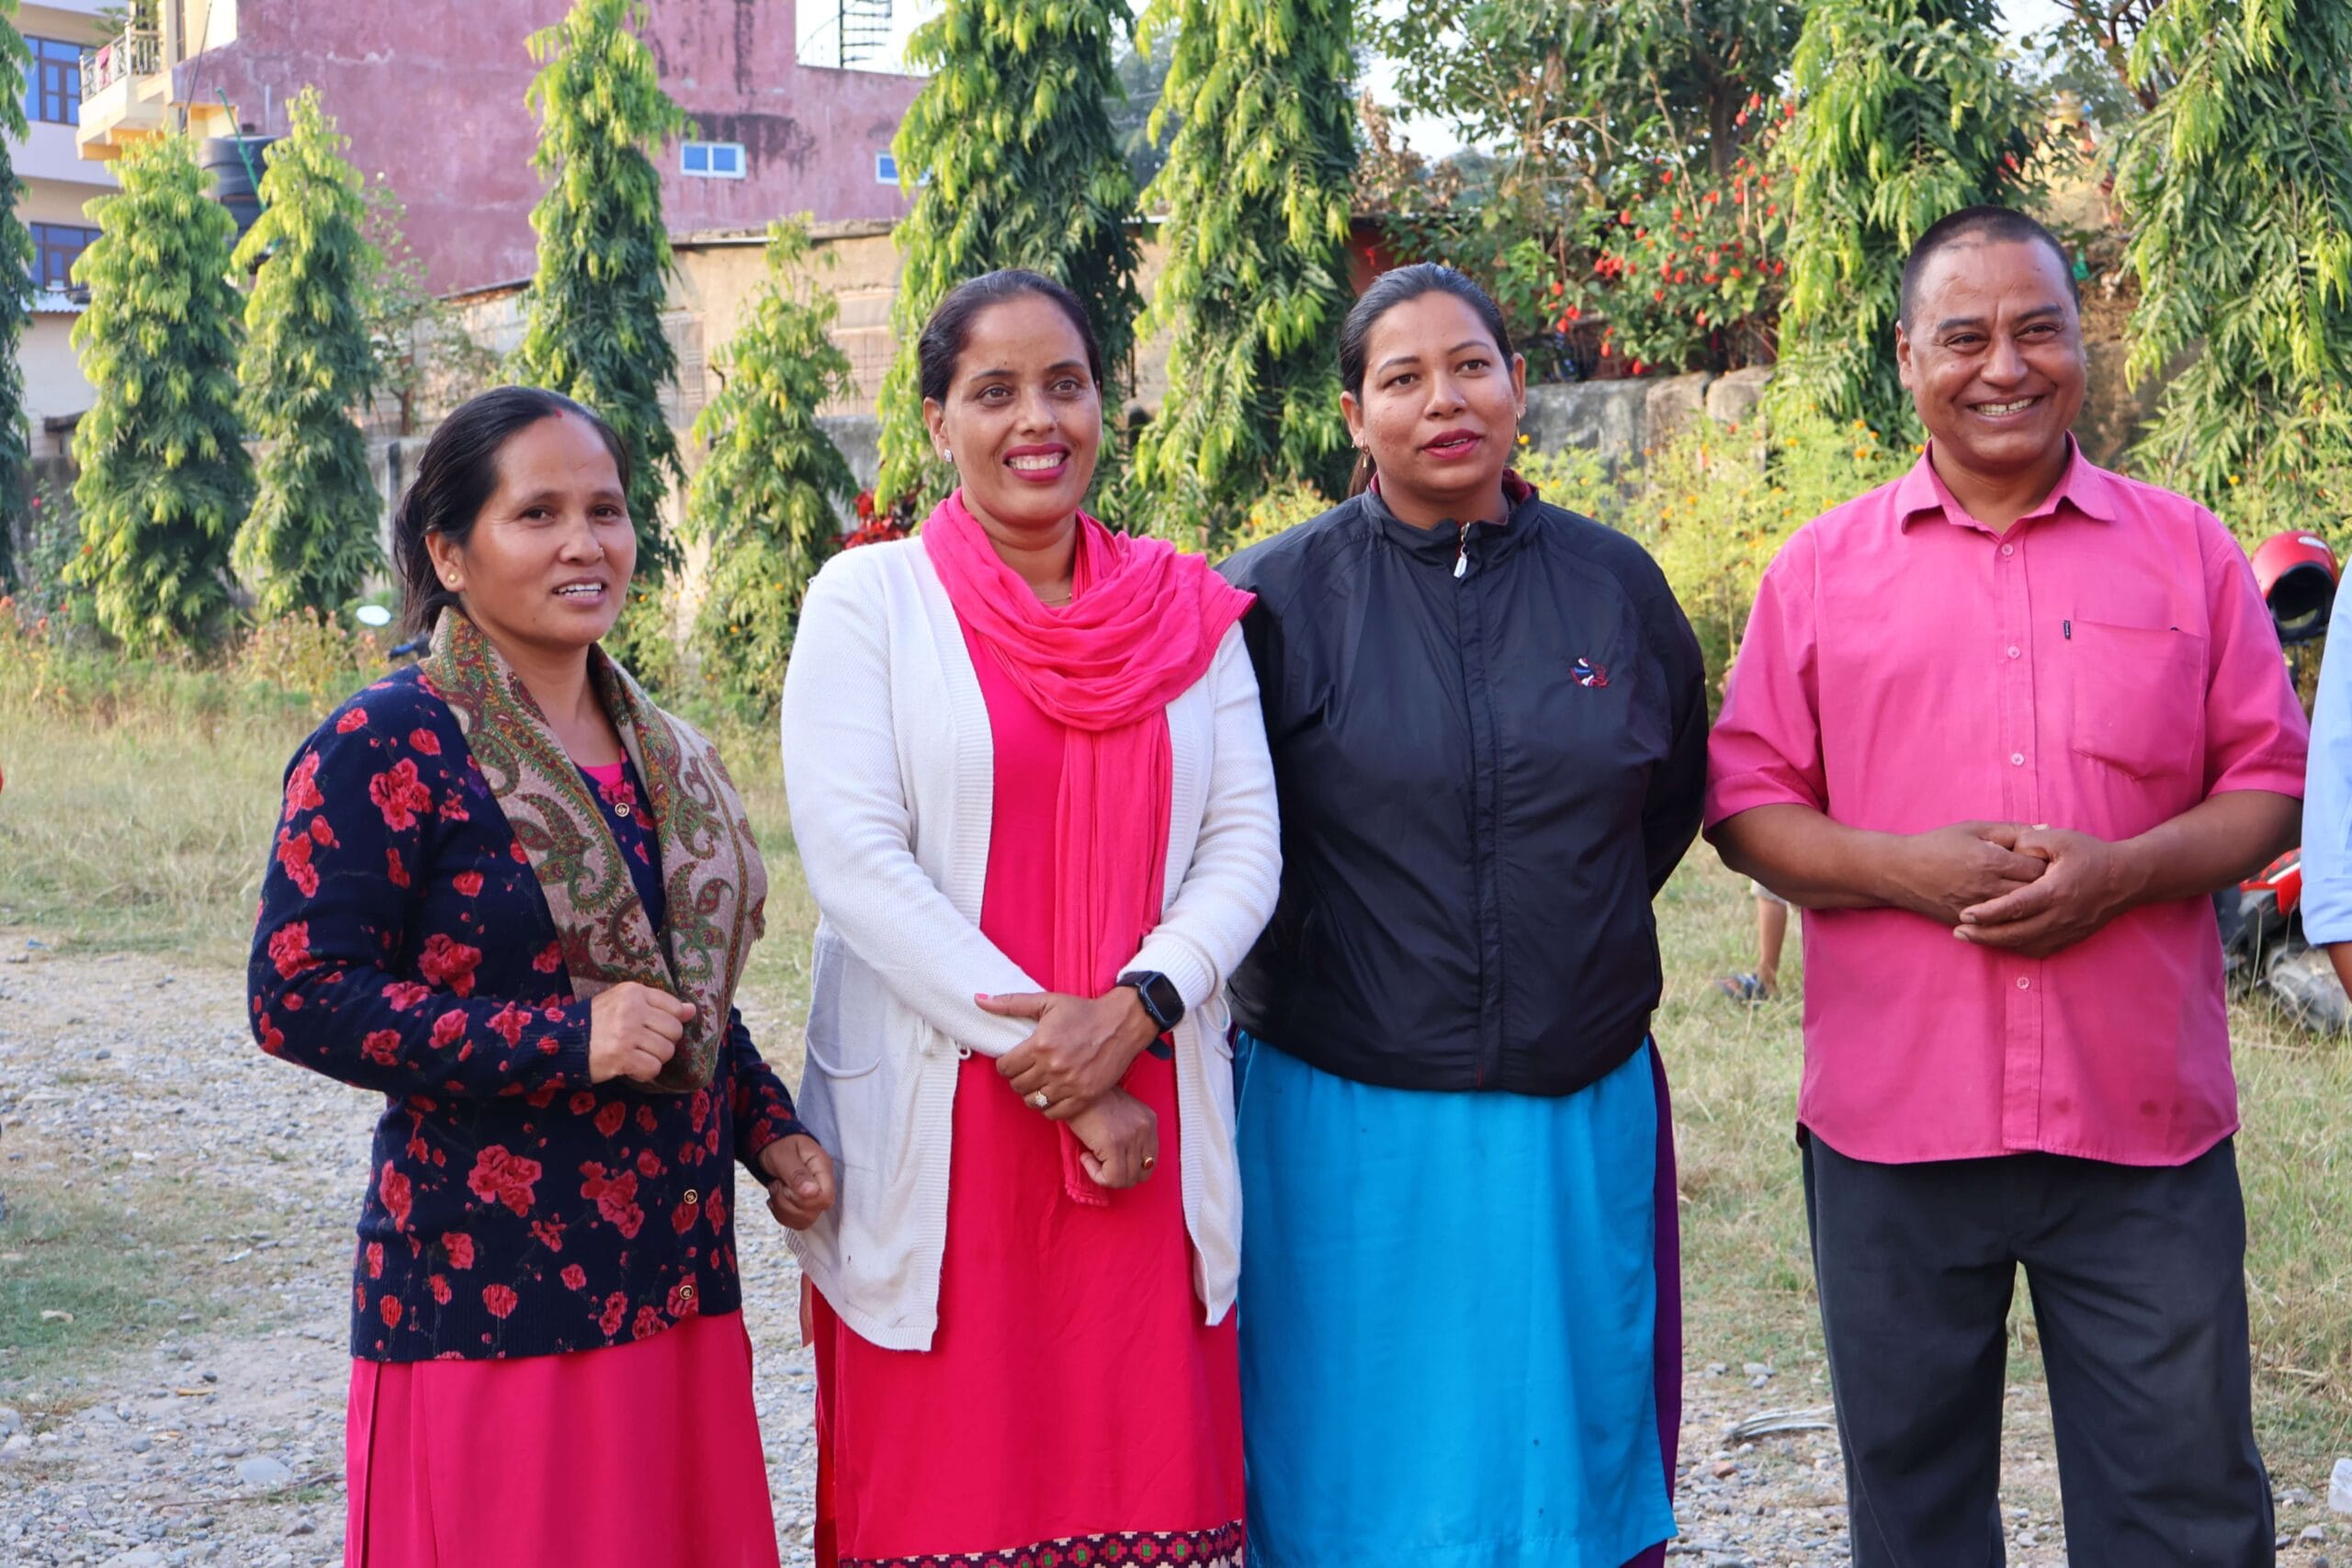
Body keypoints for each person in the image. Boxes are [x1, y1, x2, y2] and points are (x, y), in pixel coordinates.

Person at [1709, 207, 2307, 1566]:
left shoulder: (2190, 552)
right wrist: (1896, 870)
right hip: (1894, 1126)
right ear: (1907, 356)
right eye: (1965, 335)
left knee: (2186, 1502)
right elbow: (1746, 806)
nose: (2006, 365)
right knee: (1914, 1504)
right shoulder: (1820, 570)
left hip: (2138, 1122)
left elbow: (2272, 782)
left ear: (2081, 344)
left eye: (2039, 328)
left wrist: (2127, 872)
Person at [247, 387, 836, 1568]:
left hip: (673, 1277)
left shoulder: (664, 751)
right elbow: (297, 991)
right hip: (489, 1292)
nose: (586, 542)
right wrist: (563, 1039)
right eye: (539, 514)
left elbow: (680, 997)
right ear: (448, 553)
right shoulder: (389, 741)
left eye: (607, 510)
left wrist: (769, 1131)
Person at [778, 270, 1278, 1567]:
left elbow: (1245, 845)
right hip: (949, 1130)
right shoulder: (870, 604)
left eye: (1065, 382)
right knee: (947, 1488)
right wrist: (1063, 1062)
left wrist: (1137, 1009)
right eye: (993, 391)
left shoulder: (1188, 610)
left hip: (1153, 1107)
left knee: (1150, 1480)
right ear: (938, 419)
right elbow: (857, 861)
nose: (1035, 419)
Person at [1218, 263, 1706, 1568]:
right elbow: (1218, 846)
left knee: (1559, 1459)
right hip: (1342, 1107)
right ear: (1352, 413)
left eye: (1473, 365)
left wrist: (1549, 947)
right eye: (1403, 376)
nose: (1446, 398)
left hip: (1570, 1099)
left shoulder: (1616, 588)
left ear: (1519, 387)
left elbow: (1659, 808)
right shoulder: (1268, 603)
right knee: (1347, 1469)